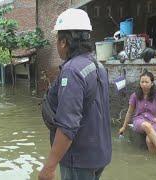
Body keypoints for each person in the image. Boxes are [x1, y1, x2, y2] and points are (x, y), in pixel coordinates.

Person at [38, 9, 111, 180]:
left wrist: (49, 168)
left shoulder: (72, 71)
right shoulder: (98, 66)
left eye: (57, 40)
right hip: (100, 154)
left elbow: (67, 126)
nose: (57, 46)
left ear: (63, 42)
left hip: (79, 159)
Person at [119, 71, 156, 153]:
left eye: (146, 82)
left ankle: (154, 161)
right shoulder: (135, 95)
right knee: (146, 125)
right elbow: (129, 112)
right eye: (142, 82)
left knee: (149, 140)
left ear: (152, 83)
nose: (144, 84)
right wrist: (124, 126)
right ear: (140, 83)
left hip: (155, 122)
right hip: (139, 121)